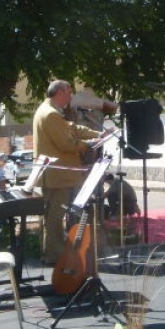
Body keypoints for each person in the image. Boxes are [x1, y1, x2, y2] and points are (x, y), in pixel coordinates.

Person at [33, 79, 109, 265]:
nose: (71, 96)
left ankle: (54, 253)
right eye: (68, 92)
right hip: (57, 176)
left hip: (59, 176)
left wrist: (97, 134)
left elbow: (72, 129)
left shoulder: (51, 111)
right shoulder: (50, 114)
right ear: (60, 93)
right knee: (55, 219)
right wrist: (90, 144)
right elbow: (66, 143)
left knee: (54, 217)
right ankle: (55, 256)